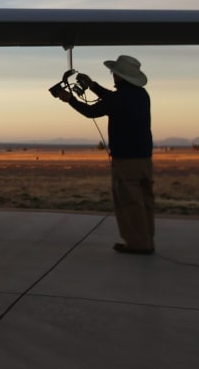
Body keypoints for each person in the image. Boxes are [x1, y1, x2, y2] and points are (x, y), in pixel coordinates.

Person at [56, 54, 155, 254]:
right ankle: (146, 241)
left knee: (129, 201)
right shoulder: (141, 94)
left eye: (114, 73)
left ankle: (137, 245)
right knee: (144, 201)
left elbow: (91, 111)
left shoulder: (120, 98)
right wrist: (92, 86)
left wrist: (70, 100)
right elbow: (112, 99)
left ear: (119, 75)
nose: (113, 76)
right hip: (144, 159)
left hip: (126, 160)